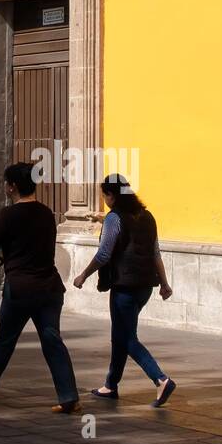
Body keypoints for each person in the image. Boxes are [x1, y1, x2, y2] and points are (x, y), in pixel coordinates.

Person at [0, 162, 81, 414]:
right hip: (49, 287)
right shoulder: (47, 213)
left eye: (5, 182)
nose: (4, 186)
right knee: (52, 341)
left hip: (21, 289)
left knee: (4, 342)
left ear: (12, 186)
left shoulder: (8, 215)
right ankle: (69, 396)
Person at [74, 174, 176, 408]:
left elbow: (103, 254)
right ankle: (110, 385)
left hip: (125, 286)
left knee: (126, 337)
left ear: (112, 195)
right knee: (120, 334)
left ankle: (160, 379)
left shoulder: (114, 218)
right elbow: (155, 253)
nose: (105, 200)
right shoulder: (147, 216)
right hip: (145, 287)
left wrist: (83, 275)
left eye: (105, 195)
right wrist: (164, 283)